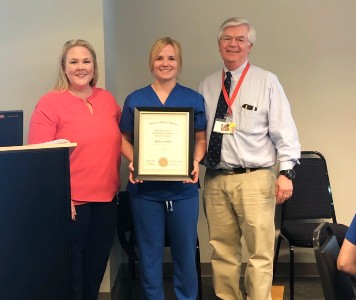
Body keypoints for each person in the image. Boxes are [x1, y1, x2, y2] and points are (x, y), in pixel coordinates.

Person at [199, 17, 301, 300]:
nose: (233, 44)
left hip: (255, 179)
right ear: (219, 45)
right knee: (222, 251)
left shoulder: (267, 81)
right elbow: (198, 135)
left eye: (240, 39)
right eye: (227, 39)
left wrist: (287, 172)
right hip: (216, 179)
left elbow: (285, 130)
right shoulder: (207, 85)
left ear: (250, 46)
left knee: (259, 252)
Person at [28, 39, 122, 300]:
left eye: (86, 61)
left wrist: (139, 161)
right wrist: (62, 197)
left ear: (94, 66)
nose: (81, 67)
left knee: (95, 268)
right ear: (64, 67)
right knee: (72, 272)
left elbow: (121, 137)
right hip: (72, 203)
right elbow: (40, 158)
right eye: (74, 61)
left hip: (106, 199)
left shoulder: (107, 99)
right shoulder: (50, 103)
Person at [119, 37, 207, 300]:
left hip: (183, 192)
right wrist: (135, 160)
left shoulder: (193, 98)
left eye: (171, 58)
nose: (165, 63)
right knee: (149, 256)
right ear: (151, 63)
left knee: (185, 256)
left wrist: (194, 161)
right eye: (159, 58)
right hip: (145, 192)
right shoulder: (135, 99)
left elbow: (201, 139)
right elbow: (123, 139)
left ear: (179, 64)